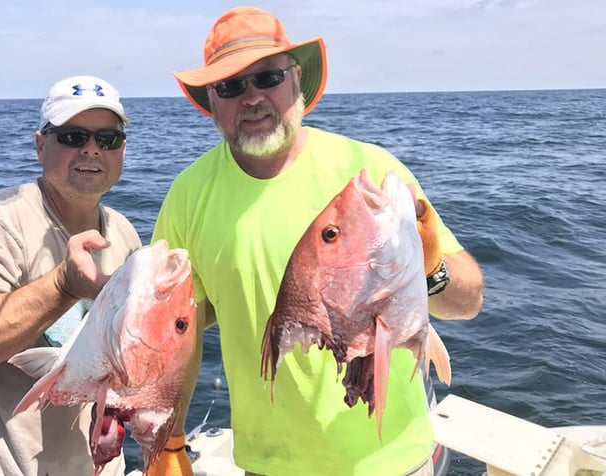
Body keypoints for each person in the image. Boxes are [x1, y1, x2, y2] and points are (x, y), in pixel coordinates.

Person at [152, 6, 485, 476]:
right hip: (270, 464)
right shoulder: (187, 197)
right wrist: (170, 440)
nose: (251, 97)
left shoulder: (368, 169)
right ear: (212, 100)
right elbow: (174, 330)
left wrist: (430, 267)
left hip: (395, 460)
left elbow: (468, 302)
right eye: (230, 86)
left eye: (267, 77)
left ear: (297, 82)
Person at [0, 75, 144, 475]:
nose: (91, 149)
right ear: (40, 145)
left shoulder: (125, 234)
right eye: (72, 136)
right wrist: (62, 285)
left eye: (108, 139)